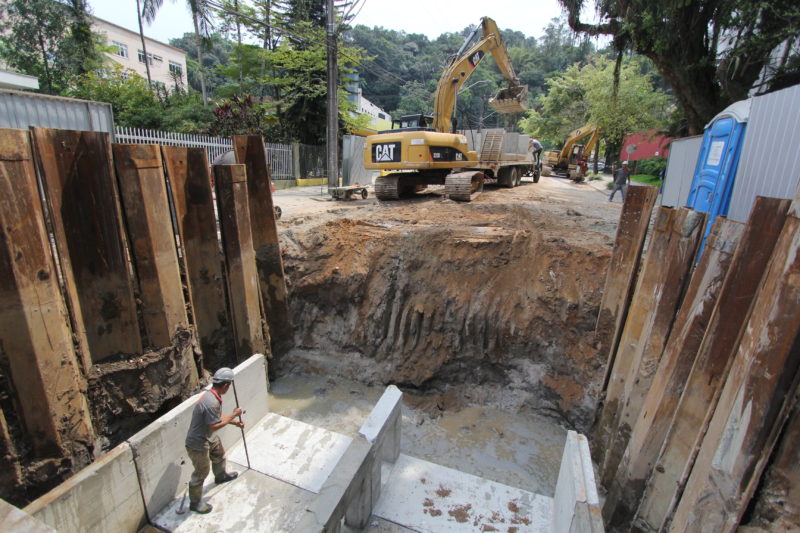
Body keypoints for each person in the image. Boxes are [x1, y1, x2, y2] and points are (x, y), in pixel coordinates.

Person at [184, 367, 245, 513]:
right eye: (228, 386)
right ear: (225, 385)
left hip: (208, 436)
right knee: (201, 472)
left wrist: (234, 422)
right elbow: (214, 425)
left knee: (218, 453)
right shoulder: (211, 402)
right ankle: (195, 503)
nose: (228, 388)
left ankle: (221, 476)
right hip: (198, 442)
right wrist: (234, 415)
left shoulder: (212, 396)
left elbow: (216, 416)